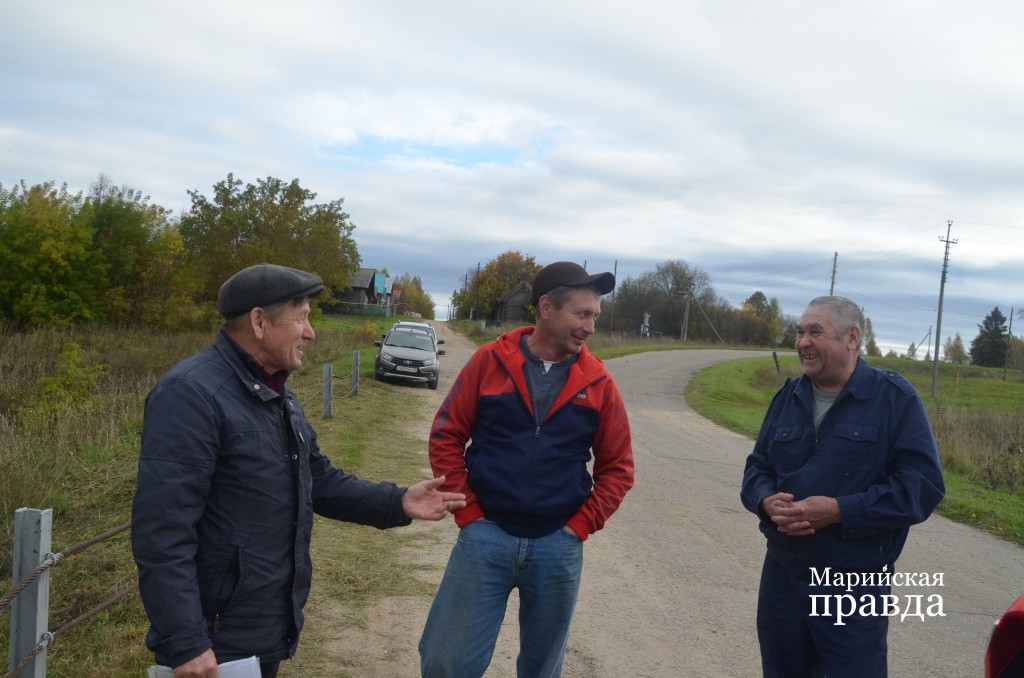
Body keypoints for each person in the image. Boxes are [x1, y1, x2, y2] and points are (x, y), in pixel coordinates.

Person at [131, 263, 466, 678]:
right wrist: (186, 643)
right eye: (302, 317)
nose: (311, 332)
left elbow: (319, 480)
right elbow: (162, 531)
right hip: (214, 643)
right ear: (258, 321)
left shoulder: (275, 392)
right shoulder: (192, 394)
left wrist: (397, 501)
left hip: (257, 631)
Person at [419, 261, 635, 678]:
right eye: (582, 314)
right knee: (446, 663)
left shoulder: (599, 382)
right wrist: (468, 513)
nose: (590, 327)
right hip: (487, 537)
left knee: (541, 671)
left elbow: (619, 468)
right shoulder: (489, 362)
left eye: (595, 316)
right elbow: (446, 434)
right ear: (546, 309)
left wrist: (580, 525)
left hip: (558, 545)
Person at [740, 295, 945, 677]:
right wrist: (765, 500)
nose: (803, 342)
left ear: (852, 337)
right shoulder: (788, 397)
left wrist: (840, 511)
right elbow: (757, 468)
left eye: (815, 332)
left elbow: (922, 487)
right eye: (800, 332)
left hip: (853, 585)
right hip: (782, 576)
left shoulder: (893, 400)